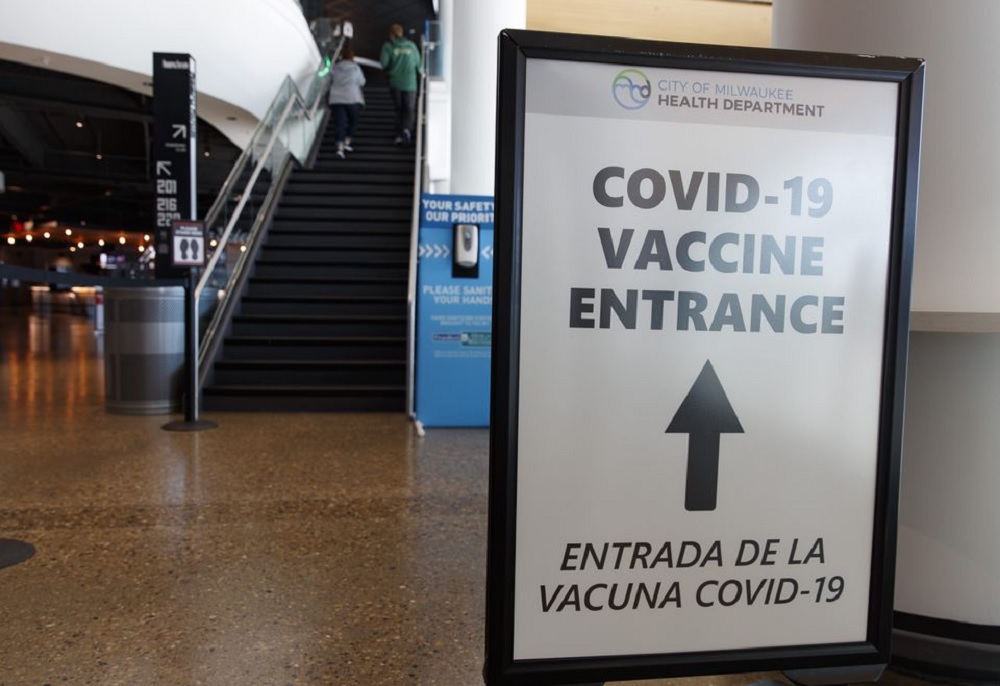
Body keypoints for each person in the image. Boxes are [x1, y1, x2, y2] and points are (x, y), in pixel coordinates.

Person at [379, 23, 421, 145]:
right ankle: (407, 130)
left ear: (391, 34)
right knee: (409, 108)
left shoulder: (388, 47)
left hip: (395, 82)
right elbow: (419, 64)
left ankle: (399, 133)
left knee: (399, 109)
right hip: (410, 83)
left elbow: (383, 63)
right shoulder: (411, 46)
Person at [328, 46, 366, 159]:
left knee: (339, 123)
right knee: (353, 121)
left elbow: (328, 80)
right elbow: (362, 82)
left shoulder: (334, 68)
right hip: (352, 99)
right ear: (352, 58)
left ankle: (339, 147)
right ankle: (347, 140)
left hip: (336, 99)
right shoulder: (355, 68)